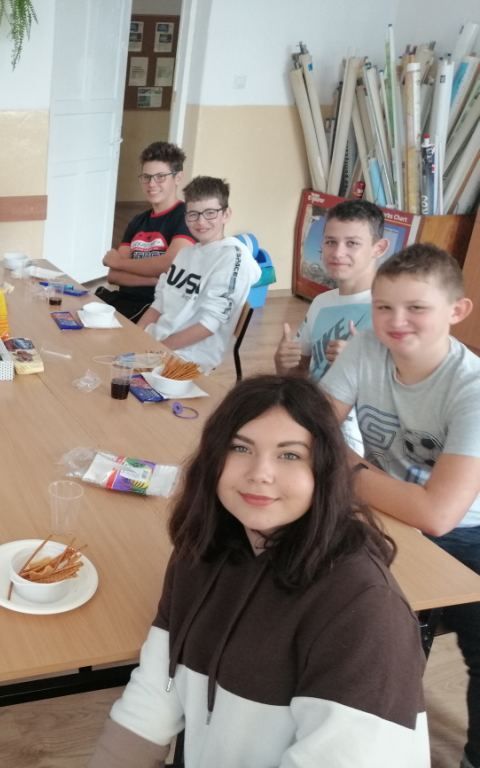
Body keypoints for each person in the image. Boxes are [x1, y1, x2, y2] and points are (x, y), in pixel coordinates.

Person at [88, 375, 428, 768]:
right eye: (240, 448)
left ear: (324, 470)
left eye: (290, 455)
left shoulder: (365, 611)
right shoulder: (203, 549)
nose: (260, 473)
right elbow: (155, 691)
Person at [321, 243, 480, 768]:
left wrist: (346, 467)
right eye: (383, 306)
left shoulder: (472, 389)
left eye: (416, 308)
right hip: (388, 511)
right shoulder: (368, 347)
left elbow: (440, 515)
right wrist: (341, 462)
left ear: (457, 311)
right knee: (363, 628)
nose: (396, 321)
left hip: (469, 531)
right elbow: (315, 428)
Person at [276, 200, 388, 452]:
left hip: (360, 446)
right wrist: (283, 362)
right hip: (316, 424)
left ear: (378, 248)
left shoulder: (391, 310)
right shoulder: (321, 302)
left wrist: (357, 365)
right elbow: (299, 373)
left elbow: (401, 396)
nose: (337, 253)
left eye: (352, 243)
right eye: (330, 242)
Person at [136, 176, 260, 371]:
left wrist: (159, 349)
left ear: (226, 214)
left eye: (210, 213)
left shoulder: (232, 257)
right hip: (156, 345)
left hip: (187, 359)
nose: (201, 222)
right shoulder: (186, 254)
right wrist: (136, 337)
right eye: (193, 214)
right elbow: (159, 304)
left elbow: (209, 325)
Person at [96, 141, 194, 321]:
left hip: (159, 310)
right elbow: (114, 275)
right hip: (125, 302)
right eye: (146, 177)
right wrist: (155, 280)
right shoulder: (137, 221)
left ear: (178, 177)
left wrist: (120, 262)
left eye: (160, 177)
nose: (151, 184)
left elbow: (169, 265)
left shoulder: (187, 216)